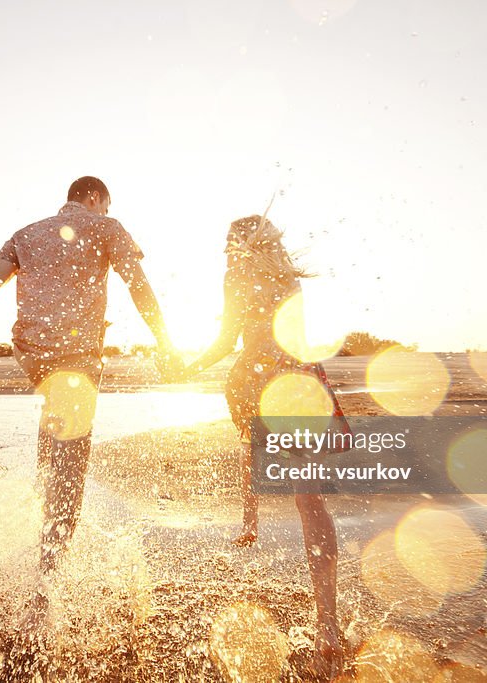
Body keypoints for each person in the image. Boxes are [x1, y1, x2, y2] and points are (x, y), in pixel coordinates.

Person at [0, 176, 181, 583]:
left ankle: (35, 530)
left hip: (31, 354)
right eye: (106, 206)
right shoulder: (107, 227)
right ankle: (45, 589)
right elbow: (138, 285)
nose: (106, 213)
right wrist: (166, 343)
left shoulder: (25, 234)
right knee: (71, 469)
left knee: (53, 436)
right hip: (75, 357)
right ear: (96, 198)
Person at [177, 214, 349, 677]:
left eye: (227, 242)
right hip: (299, 380)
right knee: (310, 500)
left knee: (250, 441)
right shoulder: (290, 277)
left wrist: (188, 367)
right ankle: (328, 626)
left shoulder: (235, 275)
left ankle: (249, 518)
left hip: (257, 378)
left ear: (238, 243)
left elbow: (226, 339)